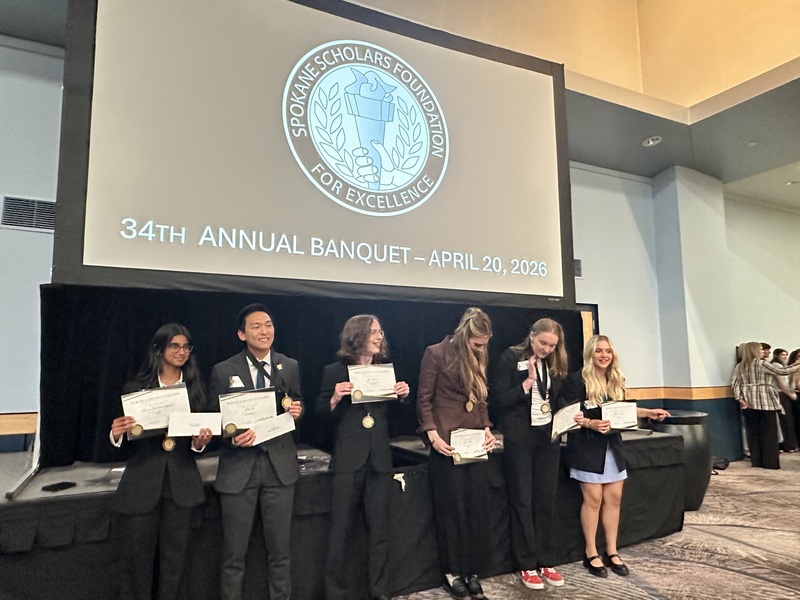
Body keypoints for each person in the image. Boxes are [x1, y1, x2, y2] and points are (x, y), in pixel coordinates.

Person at [110, 323, 213, 600]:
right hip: (142, 484)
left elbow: (198, 439)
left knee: (176, 561)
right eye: (174, 346)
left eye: (186, 347)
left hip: (181, 483)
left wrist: (199, 442)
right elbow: (121, 441)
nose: (181, 352)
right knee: (136, 562)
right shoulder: (136, 388)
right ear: (159, 349)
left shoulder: (196, 389)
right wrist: (116, 433)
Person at [209, 304, 304, 600]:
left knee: (280, 553)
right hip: (239, 471)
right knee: (233, 555)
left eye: (269, 325)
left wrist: (298, 411)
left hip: (279, 469)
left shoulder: (289, 366)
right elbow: (215, 421)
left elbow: (294, 404)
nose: (265, 332)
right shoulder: (223, 370)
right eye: (256, 326)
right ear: (241, 334)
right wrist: (231, 438)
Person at [558, 334, 669, 578]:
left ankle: (611, 550)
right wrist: (590, 423)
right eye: (598, 351)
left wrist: (649, 412)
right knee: (594, 499)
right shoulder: (577, 380)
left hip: (612, 447)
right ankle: (591, 553)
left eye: (607, 351)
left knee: (615, 498)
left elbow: (624, 411)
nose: (604, 355)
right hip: (586, 447)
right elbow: (566, 414)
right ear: (590, 354)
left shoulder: (615, 378)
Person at [319, 315, 411, 600]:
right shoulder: (335, 370)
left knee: (380, 532)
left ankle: (379, 592)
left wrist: (403, 396)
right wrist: (334, 397)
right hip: (349, 459)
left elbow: (397, 419)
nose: (379, 336)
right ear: (357, 335)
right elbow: (320, 415)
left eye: (380, 331)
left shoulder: (385, 371)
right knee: (340, 531)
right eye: (373, 331)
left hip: (379, 459)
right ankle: (335, 593)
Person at [416, 307, 496, 600]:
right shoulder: (435, 353)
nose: (480, 348)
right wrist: (431, 433)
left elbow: (480, 397)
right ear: (465, 333)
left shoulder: (479, 355)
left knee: (476, 507)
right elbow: (424, 399)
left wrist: (487, 428)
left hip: (474, 440)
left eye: (484, 344)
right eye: (477, 343)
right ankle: (452, 571)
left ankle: (471, 570)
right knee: (452, 510)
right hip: (446, 443)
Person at [491, 318, 568, 590]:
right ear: (531, 336)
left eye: (552, 345)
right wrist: (527, 384)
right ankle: (526, 563)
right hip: (519, 437)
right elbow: (499, 399)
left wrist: (567, 415)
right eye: (543, 342)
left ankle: (546, 560)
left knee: (545, 498)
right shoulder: (511, 357)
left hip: (547, 437)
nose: (547, 348)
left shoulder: (556, 362)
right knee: (522, 500)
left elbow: (556, 397)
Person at [732, 341, 800, 469]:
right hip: (765, 401)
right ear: (754, 351)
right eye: (761, 349)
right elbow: (783, 371)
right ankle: (770, 463)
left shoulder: (740, 366)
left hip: (748, 401)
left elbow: (735, 383)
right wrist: (798, 364)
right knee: (769, 433)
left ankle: (757, 461)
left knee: (753, 434)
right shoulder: (762, 364)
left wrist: (740, 399)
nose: (763, 352)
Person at [770, 348, 798, 452]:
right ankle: (788, 445)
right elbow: (781, 383)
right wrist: (790, 394)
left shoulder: (782, 366)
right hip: (781, 394)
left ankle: (790, 444)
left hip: (784, 393)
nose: (785, 357)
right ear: (776, 355)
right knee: (786, 420)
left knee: (788, 420)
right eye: (782, 355)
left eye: (786, 354)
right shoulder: (776, 366)